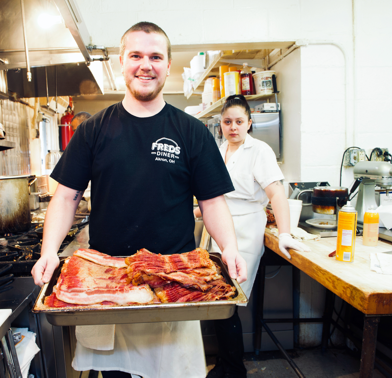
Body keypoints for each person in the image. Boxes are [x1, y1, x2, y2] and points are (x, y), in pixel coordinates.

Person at [31, 22, 247, 378]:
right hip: (106, 284)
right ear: (121, 61)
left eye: (155, 56)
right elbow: (66, 197)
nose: (145, 65)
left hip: (173, 284)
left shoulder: (190, 131)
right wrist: (49, 251)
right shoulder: (93, 130)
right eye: (136, 55)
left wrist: (231, 248)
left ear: (168, 65)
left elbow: (212, 202)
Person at [194, 95, 310, 378]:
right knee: (216, 299)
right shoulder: (219, 149)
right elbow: (214, 196)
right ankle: (225, 364)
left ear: (249, 123)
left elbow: (277, 194)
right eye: (227, 122)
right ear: (220, 124)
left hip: (245, 229)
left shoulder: (260, 151)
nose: (233, 127)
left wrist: (285, 233)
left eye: (239, 122)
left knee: (229, 301)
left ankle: (234, 370)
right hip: (216, 227)